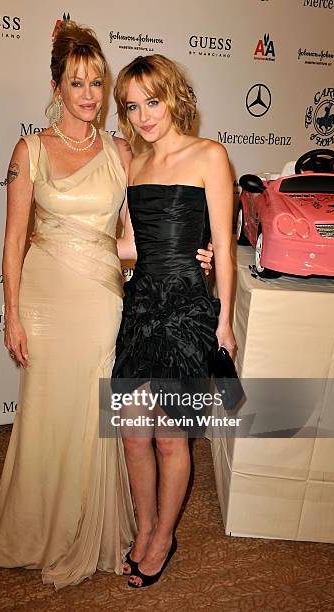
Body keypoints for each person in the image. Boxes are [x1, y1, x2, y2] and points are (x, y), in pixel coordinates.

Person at [0, 22, 214, 588]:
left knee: (102, 417)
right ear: (57, 87)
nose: (89, 95)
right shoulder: (28, 149)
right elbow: (12, 239)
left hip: (104, 297)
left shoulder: (122, 151)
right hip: (45, 296)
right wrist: (11, 312)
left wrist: (190, 253)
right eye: (77, 83)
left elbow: (139, 233)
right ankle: (39, 522)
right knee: (47, 411)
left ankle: (95, 521)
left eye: (97, 83)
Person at [111, 54, 236, 588]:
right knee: (132, 435)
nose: (143, 116)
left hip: (186, 309)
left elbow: (224, 250)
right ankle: (144, 526)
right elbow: (130, 248)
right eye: (132, 107)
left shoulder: (210, 155)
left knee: (170, 438)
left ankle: (164, 536)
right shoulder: (133, 165)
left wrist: (224, 320)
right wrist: (60, 238)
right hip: (140, 308)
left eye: (152, 102)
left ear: (173, 95)